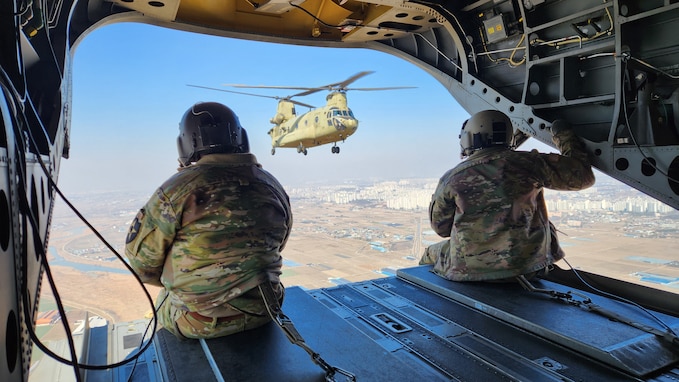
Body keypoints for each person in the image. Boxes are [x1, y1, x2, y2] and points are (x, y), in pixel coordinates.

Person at [124, 102, 292, 339]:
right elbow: (279, 242)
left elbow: (142, 265)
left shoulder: (176, 190)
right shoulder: (271, 185)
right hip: (266, 310)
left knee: (163, 302)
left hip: (198, 322)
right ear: (241, 139)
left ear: (184, 144)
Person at [419, 110, 595, 282]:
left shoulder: (453, 178)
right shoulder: (530, 163)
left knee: (429, 253)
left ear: (468, 138)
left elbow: (441, 229)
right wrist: (564, 136)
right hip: (530, 268)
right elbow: (583, 177)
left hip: (470, 272)